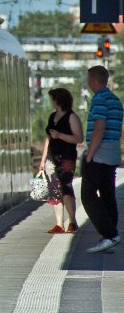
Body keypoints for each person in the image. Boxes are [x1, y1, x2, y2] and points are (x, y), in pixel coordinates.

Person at [82, 65, 124, 253]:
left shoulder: (99, 99)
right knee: (108, 195)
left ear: (93, 80)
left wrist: (89, 154)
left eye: (88, 79)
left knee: (88, 196)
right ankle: (110, 235)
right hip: (113, 153)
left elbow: (99, 127)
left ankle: (110, 234)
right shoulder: (115, 100)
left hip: (99, 154)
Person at [40, 87, 83, 233]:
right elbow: (48, 139)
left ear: (58, 100)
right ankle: (59, 224)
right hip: (52, 158)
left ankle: (72, 221)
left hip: (66, 157)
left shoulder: (72, 117)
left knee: (66, 187)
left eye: (52, 98)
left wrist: (60, 135)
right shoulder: (52, 117)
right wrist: (43, 159)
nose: (51, 101)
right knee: (54, 190)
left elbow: (79, 138)